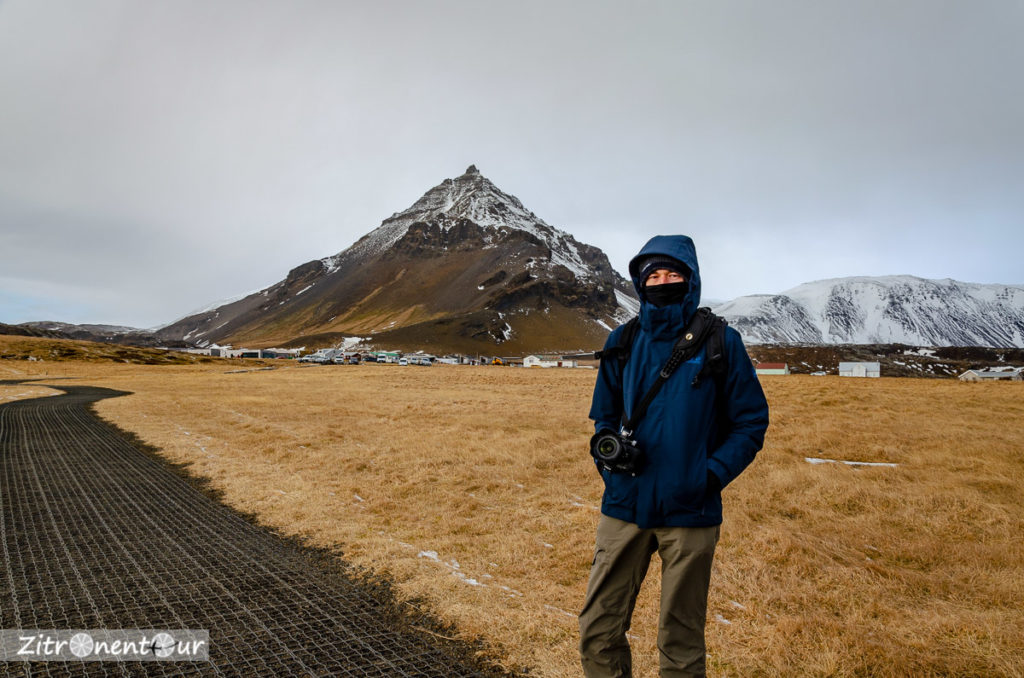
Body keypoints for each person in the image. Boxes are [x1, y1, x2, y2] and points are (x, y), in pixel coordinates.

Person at [579, 235, 770, 677]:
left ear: (691, 279)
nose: (663, 282)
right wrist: (611, 469)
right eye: (654, 276)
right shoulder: (622, 341)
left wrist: (709, 476)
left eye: (673, 274)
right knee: (597, 628)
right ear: (640, 283)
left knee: (680, 639)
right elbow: (603, 419)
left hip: (691, 510)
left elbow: (750, 423)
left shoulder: (722, 342)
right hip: (624, 506)